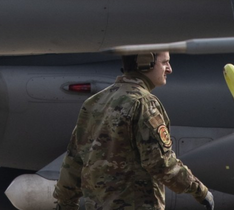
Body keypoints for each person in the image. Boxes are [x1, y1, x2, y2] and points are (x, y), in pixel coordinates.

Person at [55, 52, 214, 210]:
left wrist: (64, 204)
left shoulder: (94, 102)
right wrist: (199, 191)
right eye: (165, 62)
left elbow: (73, 162)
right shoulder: (143, 103)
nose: (169, 69)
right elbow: (160, 163)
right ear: (146, 62)